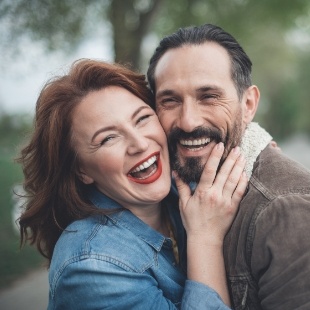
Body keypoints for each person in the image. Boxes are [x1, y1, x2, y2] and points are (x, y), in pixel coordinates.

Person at [18, 59, 248, 309]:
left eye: (142, 119)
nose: (139, 143)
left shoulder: (180, 188)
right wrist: (205, 238)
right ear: (81, 170)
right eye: (108, 138)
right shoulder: (92, 266)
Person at [147, 23, 310, 309]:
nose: (188, 121)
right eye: (170, 100)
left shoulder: (286, 210)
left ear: (248, 105)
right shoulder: (168, 185)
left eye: (208, 96)